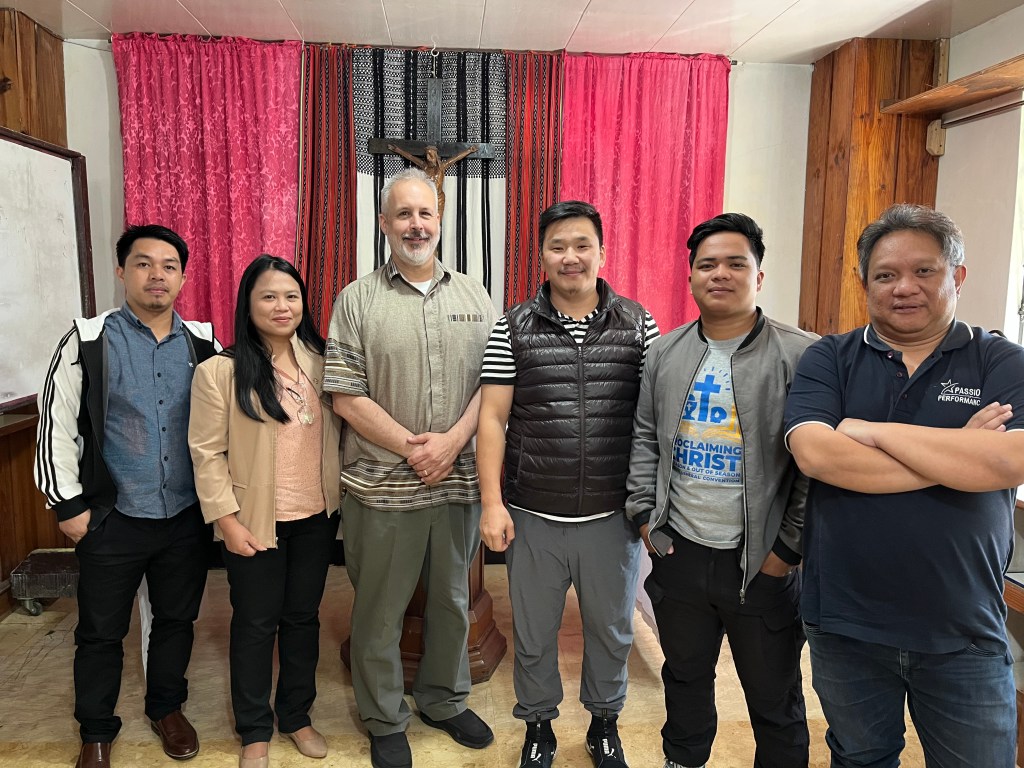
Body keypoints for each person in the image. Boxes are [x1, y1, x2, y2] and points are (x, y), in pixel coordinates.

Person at [785, 203, 1024, 768]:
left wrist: (872, 431)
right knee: (859, 758)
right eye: (886, 274)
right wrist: (960, 451)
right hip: (845, 621)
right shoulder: (829, 358)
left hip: (963, 626)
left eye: (924, 271)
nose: (904, 288)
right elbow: (817, 455)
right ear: (865, 283)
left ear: (957, 275)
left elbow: (1010, 461)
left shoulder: (1000, 361)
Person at [625, 213, 815, 768]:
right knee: (684, 678)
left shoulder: (801, 355)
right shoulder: (665, 352)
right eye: (707, 264)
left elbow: (813, 467)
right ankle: (682, 759)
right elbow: (644, 437)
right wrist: (645, 517)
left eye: (736, 263)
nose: (721, 274)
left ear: (759, 276)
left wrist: (787, 551)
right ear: (691, 277)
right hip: (680, 552)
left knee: (774, 695)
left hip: (761, 563)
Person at [478, 200, 660, 768]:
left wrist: (650, 503)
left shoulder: (638, 324)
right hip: (534, 513)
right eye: (558, 246)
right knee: (534, 633)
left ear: (602, 252)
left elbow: (655, 418)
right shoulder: (513, 326)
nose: (570, 257)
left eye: (582, 245)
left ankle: (604, 724)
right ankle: (539, 727)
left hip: (612, 517)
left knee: (611, 631)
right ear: (542, 255)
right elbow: (492, 418)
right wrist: (492, 503)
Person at [324, 168, 496, 768]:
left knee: (451, 601)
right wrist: (415, 447)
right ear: (383, 223)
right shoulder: (356, 299)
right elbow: (345, 396)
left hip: (458, 484)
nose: (415, 225)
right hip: (381, 489)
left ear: (440, 220)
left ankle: (444, 700)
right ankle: (383, 716)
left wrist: (451, 442)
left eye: (425, 213)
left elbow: (494, 385)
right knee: (379, 609)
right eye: (403, 214)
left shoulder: (476, 297)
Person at [34, 224, 218, 768]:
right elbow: (54, 422)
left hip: (184, 516)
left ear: (183, 278)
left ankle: (166, 708)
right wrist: (69, 508)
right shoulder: (87, 341)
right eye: (143, 263)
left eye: (169, 266)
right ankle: (96, 731)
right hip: (111, 517)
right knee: (100, 632)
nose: (156, 275)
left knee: (176, 621)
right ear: (121, 271)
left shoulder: (203, 344)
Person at [189, 255, 342, 768]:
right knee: (255, 624)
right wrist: (227, 522)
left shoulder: (322, 362)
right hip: (254, 522)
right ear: (248, 305)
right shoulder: (221, 371)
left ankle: (296, 716)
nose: (282, 306)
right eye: (269, 296)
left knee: (302, 619)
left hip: (316, 516)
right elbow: (206, 453)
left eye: (291, 296)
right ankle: (254, 728)